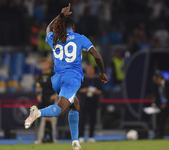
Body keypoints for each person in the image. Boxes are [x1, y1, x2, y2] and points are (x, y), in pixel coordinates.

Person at [25, 4, 108, 150]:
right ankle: (38, 113)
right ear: (73, 27)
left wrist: (60, 15)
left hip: (56, 79)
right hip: (72, 77)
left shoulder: (54, 37)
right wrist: (102, 72)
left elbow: (47, 29)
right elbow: (97, 56)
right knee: (61, 109)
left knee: (75, 104)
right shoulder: (80, 38)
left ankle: (75, 142)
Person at [35, 58, 58, 144]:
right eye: (42, 64)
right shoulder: (40, 75)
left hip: (51, 98)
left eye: (45, 64)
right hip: (43, 98)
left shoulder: (53, 75)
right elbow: (38, 85)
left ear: (49, 65)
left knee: (50, 119)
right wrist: (38, 95)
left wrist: (55, 95)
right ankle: (45, 138)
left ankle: (49, 137)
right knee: (45, 118)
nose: (43, 66)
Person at [79, 65, 103, 143]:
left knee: (93, 120)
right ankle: (81, 136)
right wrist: (84, 90)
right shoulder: (82, 80)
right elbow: (78, 90)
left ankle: (91, 136)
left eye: (91, 69)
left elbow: (101, 90)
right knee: (82, 120)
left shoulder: (97, 80)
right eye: (88, 69)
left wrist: (95, 92)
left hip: (93, 102)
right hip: (84, 102)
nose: (89, 70)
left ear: (93, 70)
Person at [152, 70, 169, 139]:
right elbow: (156, 96)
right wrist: (154, 104)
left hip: (167, 104)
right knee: (161, 120)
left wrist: (166, 104)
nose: (155, 81)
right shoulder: (156, 86)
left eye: (156, 79)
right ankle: (160, 135)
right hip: (162, 106)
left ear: (159, 78)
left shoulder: (167, 84)